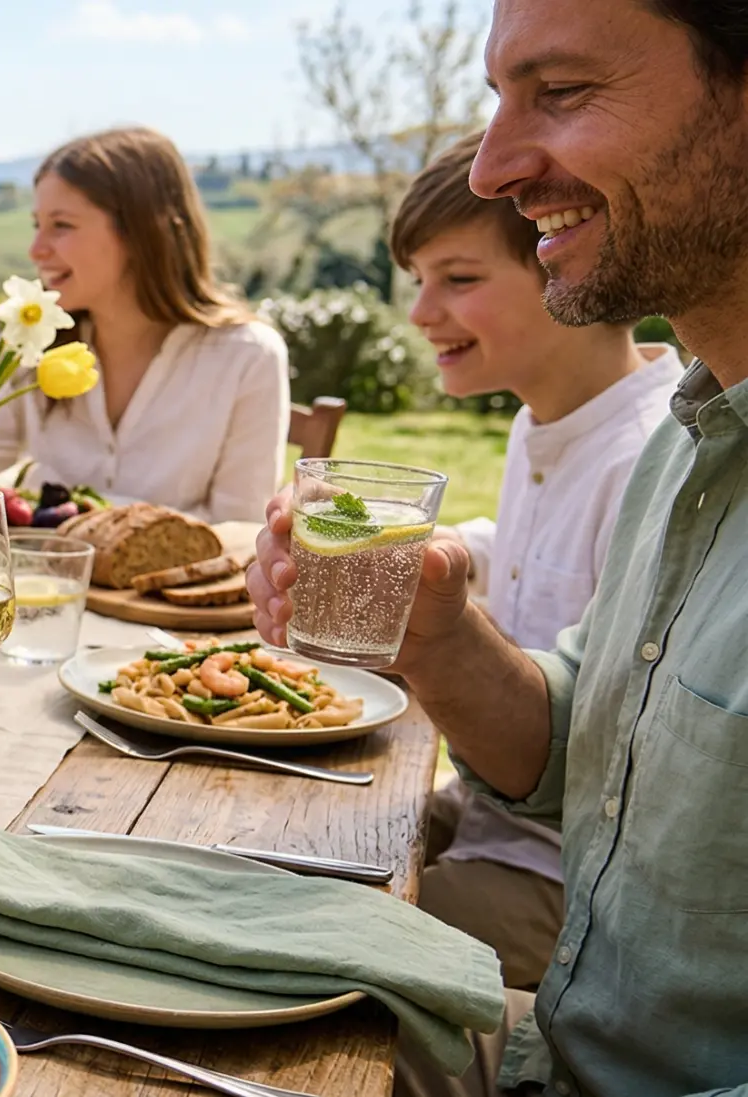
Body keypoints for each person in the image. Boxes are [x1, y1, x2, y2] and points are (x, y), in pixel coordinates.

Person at [248, 1, 748, 1092]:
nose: (490, 168)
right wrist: (442, 635)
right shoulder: (689, 437)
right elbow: (586, 756)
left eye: (560, 92)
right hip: (547, 1048)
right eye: (495, 101)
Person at [390, 132, 686, 993]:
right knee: (298, 844)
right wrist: (443, 557)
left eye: (460, 278)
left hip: (563, 884)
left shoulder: (647, 458)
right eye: (419, 282)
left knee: (320, 941)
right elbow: (525, 558)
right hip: (488, 820)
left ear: (561, 263)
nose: (420, 313)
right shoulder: (540, 425)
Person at [0, 127, 291, 524]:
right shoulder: (17, 337)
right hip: (40, 585)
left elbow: (243, 529)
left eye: (62, 225)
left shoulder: (248, 356)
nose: (36, 250)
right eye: (37, 225)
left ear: (142, 232)